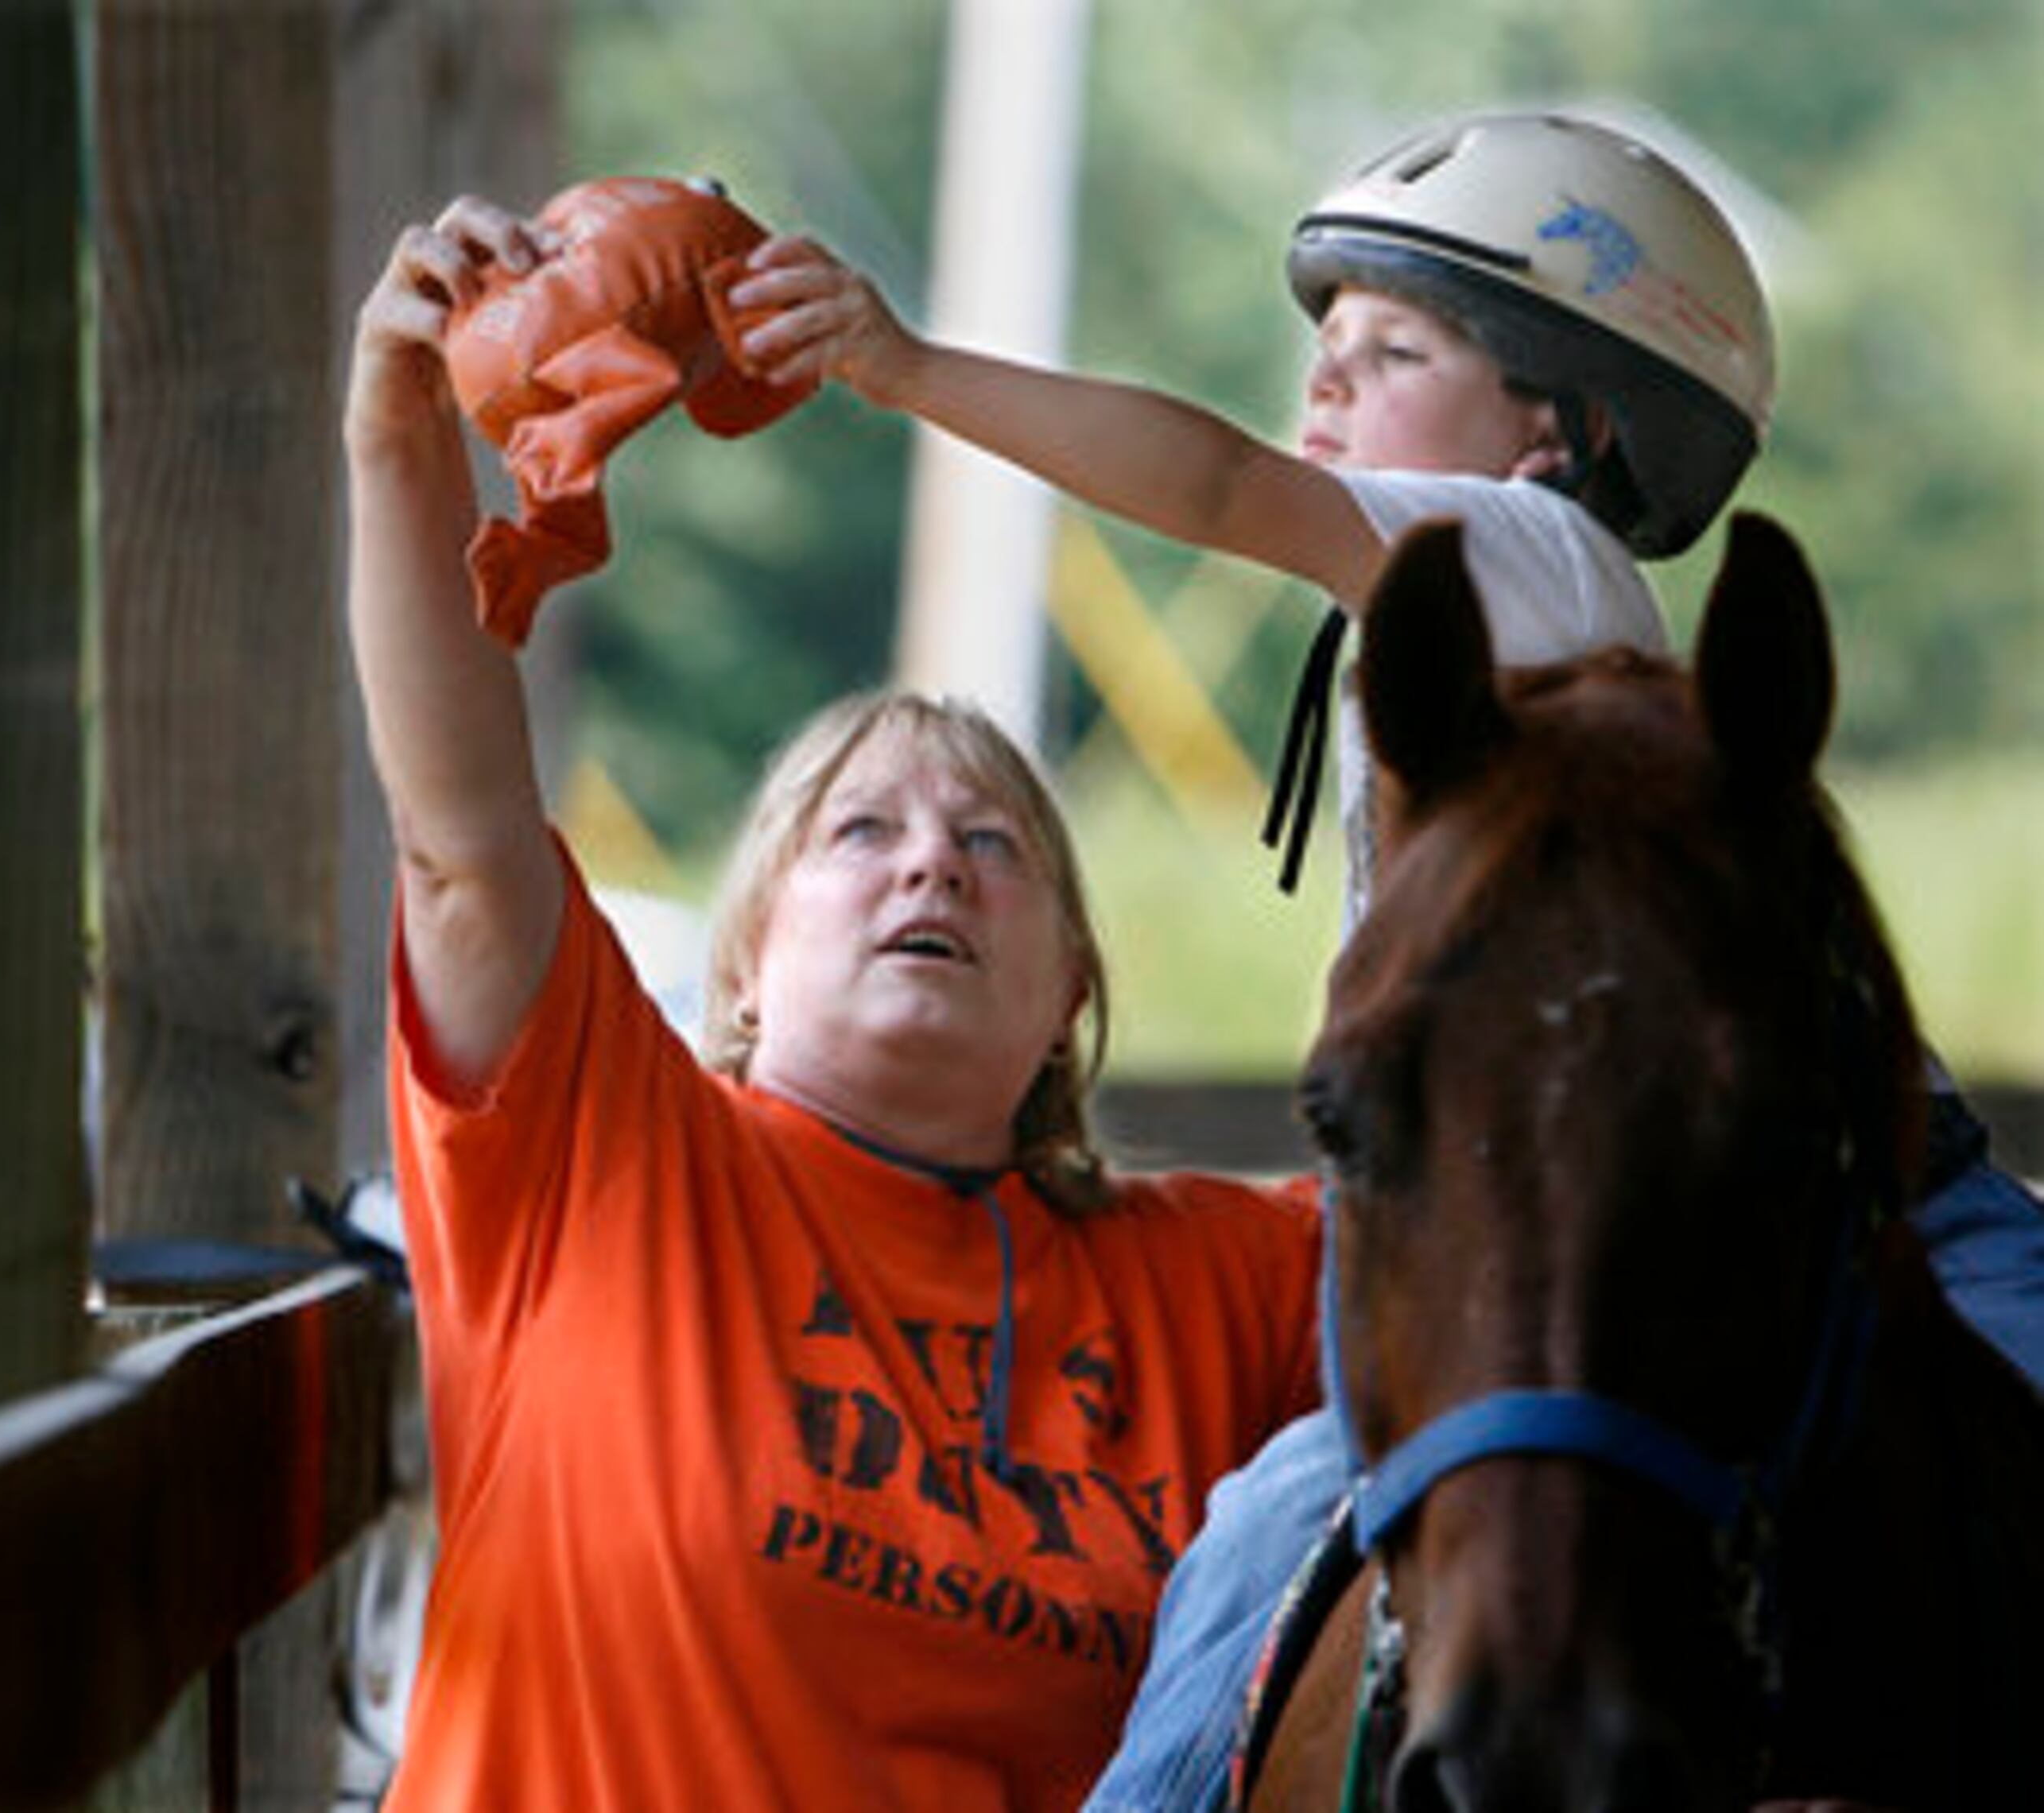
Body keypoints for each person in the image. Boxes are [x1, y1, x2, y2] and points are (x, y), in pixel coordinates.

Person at [730, 108, 2044, 1812]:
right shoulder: (1428, 667)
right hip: (1534, 1254)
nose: (1325, 396)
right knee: (1266, 1529)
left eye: (1391, 350)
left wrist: (905, 368)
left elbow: (1216, 483)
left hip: (1873, 1203)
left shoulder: (1530, 550)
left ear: (1560, 436)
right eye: (1320, 355)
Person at [347, 196, 1327, 1812]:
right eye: (860, 832)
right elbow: (456, 840)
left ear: (1069, 990)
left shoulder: (1223, 1279)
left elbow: (1529, 1251)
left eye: (992, 843)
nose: (929, 869)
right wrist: (393, 431)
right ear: (744, 959)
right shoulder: (604, 1155)